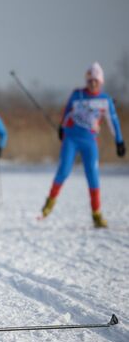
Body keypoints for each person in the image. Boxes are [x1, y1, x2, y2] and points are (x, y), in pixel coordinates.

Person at [41, 62, 125, 228]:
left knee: (93, 176)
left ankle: (96, 214)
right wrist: (61, 128)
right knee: (63, 171)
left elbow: (113, 122)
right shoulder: (77, 95)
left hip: (89, 142)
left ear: (100, 82)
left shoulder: (105, 100)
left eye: (96, 80)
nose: (92, 83)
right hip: (71, 139)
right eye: (90, 80)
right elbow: (66, 113)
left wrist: (119, 141)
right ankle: (49, 202)